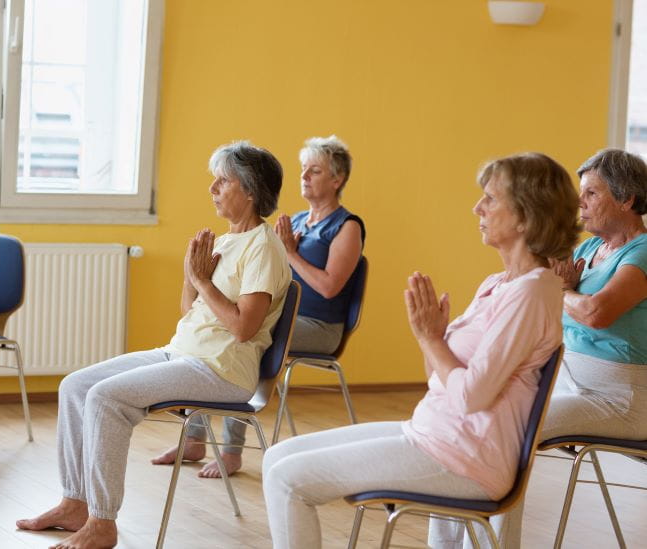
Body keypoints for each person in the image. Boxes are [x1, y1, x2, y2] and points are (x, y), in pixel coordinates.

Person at [261, 152, 581, 549]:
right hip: (433, 433)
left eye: (490, 199)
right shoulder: (497, 284)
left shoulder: (531, 292)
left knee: (287, 480)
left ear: (526, 217)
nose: (477, 208)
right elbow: (439, 380)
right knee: (276, 458)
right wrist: (432, 337)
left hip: (464, 457)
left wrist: (432, 339)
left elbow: (472, 396)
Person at [16, 141, 291, 549]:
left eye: (223, 181)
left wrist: (202, 281)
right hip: (183, 354)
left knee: (106, 398)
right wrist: (190, 276)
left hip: (222, 370)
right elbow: (190, 312)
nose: (213, 188)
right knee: (75, 386)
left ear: (250, 190)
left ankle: (102, 522)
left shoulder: (263, 248)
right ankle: (74, 503)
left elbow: (242, 328)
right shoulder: (224, 240)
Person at [152, 135, 364, 478]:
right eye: (303, 169)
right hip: (282, 317)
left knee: (239, 337)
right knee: (218, 331)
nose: (304, 176)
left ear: (337, 179)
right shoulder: (295, 222)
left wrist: (291, 253)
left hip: (319, 326)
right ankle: (194, 438)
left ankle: (231, 452)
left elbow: (330, 287)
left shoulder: (347, 227)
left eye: (314, 171)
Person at [480, 148, 647, 548]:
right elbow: (536, 290)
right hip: (567, 381)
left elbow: (596, 312)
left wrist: (561, 290)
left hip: (618, 399)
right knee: (479, 418)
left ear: (626, 199)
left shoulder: (642, 252)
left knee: (511, 433)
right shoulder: (587, 250)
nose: (579, 203)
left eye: (591, 193)